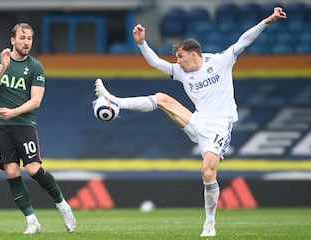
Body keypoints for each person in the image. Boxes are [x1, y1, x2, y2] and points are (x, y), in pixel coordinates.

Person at [95, 7, 287, 237]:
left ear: (193, 55)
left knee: (207, 172)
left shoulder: (221, 61)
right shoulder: (182, 71)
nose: (177, 62)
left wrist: (268, 20)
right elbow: (156, 63)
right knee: (162, 98)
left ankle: (209, 223)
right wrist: (141, 43)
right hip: (196, 121)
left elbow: (244, 40)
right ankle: (114, 100)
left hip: (219, 126)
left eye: (181, 57)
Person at [0, 23, 76, 234]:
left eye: (30, 38)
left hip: (24, 123)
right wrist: (3, 67)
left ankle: (63, 205)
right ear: (12, 40)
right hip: (0, 124)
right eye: (22, 38)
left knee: (33, 169)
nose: (27, 42)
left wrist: (14, 112)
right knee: (12, 170)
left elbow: (36, 101)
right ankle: (32, 221)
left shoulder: (35, 67)